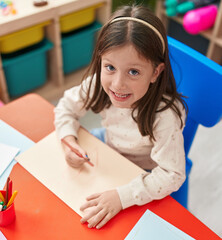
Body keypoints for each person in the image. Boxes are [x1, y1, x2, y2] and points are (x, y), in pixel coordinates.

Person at [54, 4, 187, 229]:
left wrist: (122, 197)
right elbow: (65, 107)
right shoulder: (98, 82)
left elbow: (172, 174)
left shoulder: (164, 117)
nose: (117, 84)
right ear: (101, 60)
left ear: (156, 72)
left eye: (133, 72)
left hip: (143, 172)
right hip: (109, 151)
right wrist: (69, 141)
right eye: (110, 67)